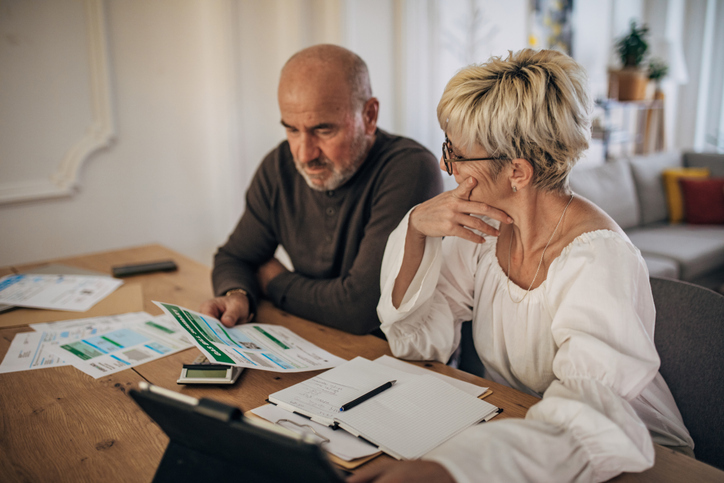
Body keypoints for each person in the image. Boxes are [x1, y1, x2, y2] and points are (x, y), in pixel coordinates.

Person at [352, 49, 693, 482]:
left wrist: (452, 469)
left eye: (456, 154)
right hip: (521, 435)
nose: (445, 165)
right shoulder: (484, 229)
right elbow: (418, 344)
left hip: (623, 453)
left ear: (517, 172)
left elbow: (587, 416)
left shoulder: (600, 259)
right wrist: (416, 229)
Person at [200, 44, 443, 335]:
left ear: (369, 115)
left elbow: (362, 309)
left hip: (398, 360)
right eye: (292, 129)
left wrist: (273, 281)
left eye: (323, 130)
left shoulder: (410, 170)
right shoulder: (279, 166)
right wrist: (238, 294)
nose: (304, 155)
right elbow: (235, 257)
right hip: (315, 343)